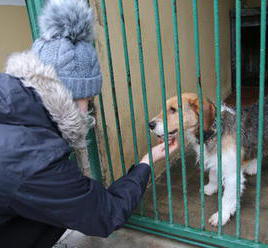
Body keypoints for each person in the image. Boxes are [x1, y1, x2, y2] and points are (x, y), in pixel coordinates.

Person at [0, 0, 178, 247]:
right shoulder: (35, 159)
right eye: (89, 101)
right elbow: (104, 214)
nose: (89, 111)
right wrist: (146, 164)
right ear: (69, 96)